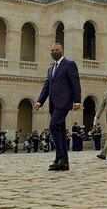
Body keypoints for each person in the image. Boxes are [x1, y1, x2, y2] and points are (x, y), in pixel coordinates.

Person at [35, 43, 82, 172]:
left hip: (64, 102)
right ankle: (63, 162)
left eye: (56, 50)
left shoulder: (69, 64)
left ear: (62, 51)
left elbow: (75, 83)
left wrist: (77, 101)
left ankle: (60, 156)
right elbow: (46, 87)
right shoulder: (51, 68)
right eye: (52, 50)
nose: (54, 52)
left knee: (53, 125)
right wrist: (40, 101)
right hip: (53, 103)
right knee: (60, 130)